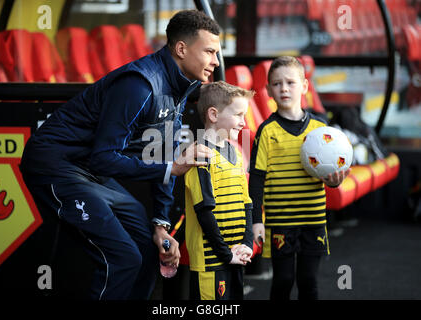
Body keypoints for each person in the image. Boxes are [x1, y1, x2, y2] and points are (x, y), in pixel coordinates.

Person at [20, 9, 220, 300]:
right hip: (56, 164)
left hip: (88, 169)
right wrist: (170, 169)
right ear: (181, 49)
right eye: (210, 51)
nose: (215, 61)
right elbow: (106, 157)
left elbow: (160, 153)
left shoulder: (178, 87)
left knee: (150, 247)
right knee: (124, 256)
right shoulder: (139, 84)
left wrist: (162, 226)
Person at [248, 56, 350, 300]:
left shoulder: (321, 129)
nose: (284, 88)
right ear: (269, 90)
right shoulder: (267, 131)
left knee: (308, 281)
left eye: (291, 83)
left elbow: (331, 174)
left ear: (304, 86)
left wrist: (335, 182)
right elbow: (256, 179)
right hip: (281, 221)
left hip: (313, 220)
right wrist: (255, 220)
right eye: (277, 83)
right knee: (283, 281)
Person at [184, 81, 255, 300]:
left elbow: (246, 203)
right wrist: (226, 254)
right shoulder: (200, 155)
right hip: (212, 260)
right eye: (238, 115)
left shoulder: (234, 152)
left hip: (235, 256)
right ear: (213, 114)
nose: (243, 122)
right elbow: (204, 212)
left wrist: (247, 243)